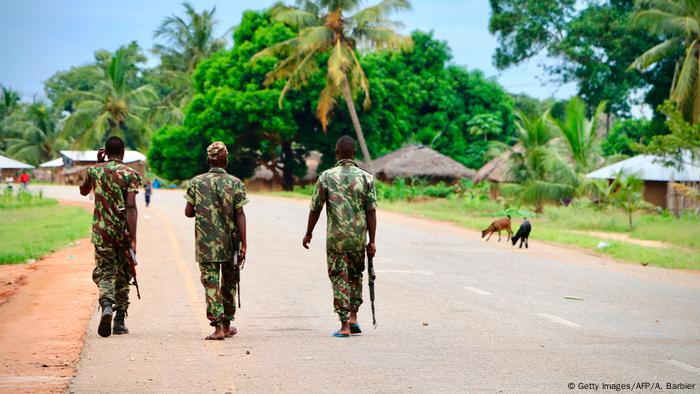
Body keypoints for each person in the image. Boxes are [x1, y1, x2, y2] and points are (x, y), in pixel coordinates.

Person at [303, 135, 377, 338]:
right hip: (357, 239)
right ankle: (353, 318)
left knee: (339, 278)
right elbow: (371, 211)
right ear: (354, 153)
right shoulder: (365, 177)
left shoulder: (326, 177)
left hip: (336, 240)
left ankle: (344, 326)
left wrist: (309, 233)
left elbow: (315, 208)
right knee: (355, 276)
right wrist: (372, 240)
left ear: (336, 153)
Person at [184, 141, 248, 340]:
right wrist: (244, 243)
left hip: (206, 244)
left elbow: (188, 212)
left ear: (208, 159)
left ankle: (218, 327)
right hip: (231, 242)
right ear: (225, 159)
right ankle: (227, 325)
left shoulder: (196, 182)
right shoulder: (235, 183)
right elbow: (240, 214)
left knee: (211, 282)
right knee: (229, 283)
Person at [79, 136, 142, 337]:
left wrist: (98, 163)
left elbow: (83, 191)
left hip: (102, 233)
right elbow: (131, 206)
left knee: (106, 271)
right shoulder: (130, 174)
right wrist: (133, 238)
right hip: (122, 233)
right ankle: (119, 321)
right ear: (123, 152)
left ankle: (107, 305)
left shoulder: (94, 171)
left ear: (105, 151)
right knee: (124, 273)